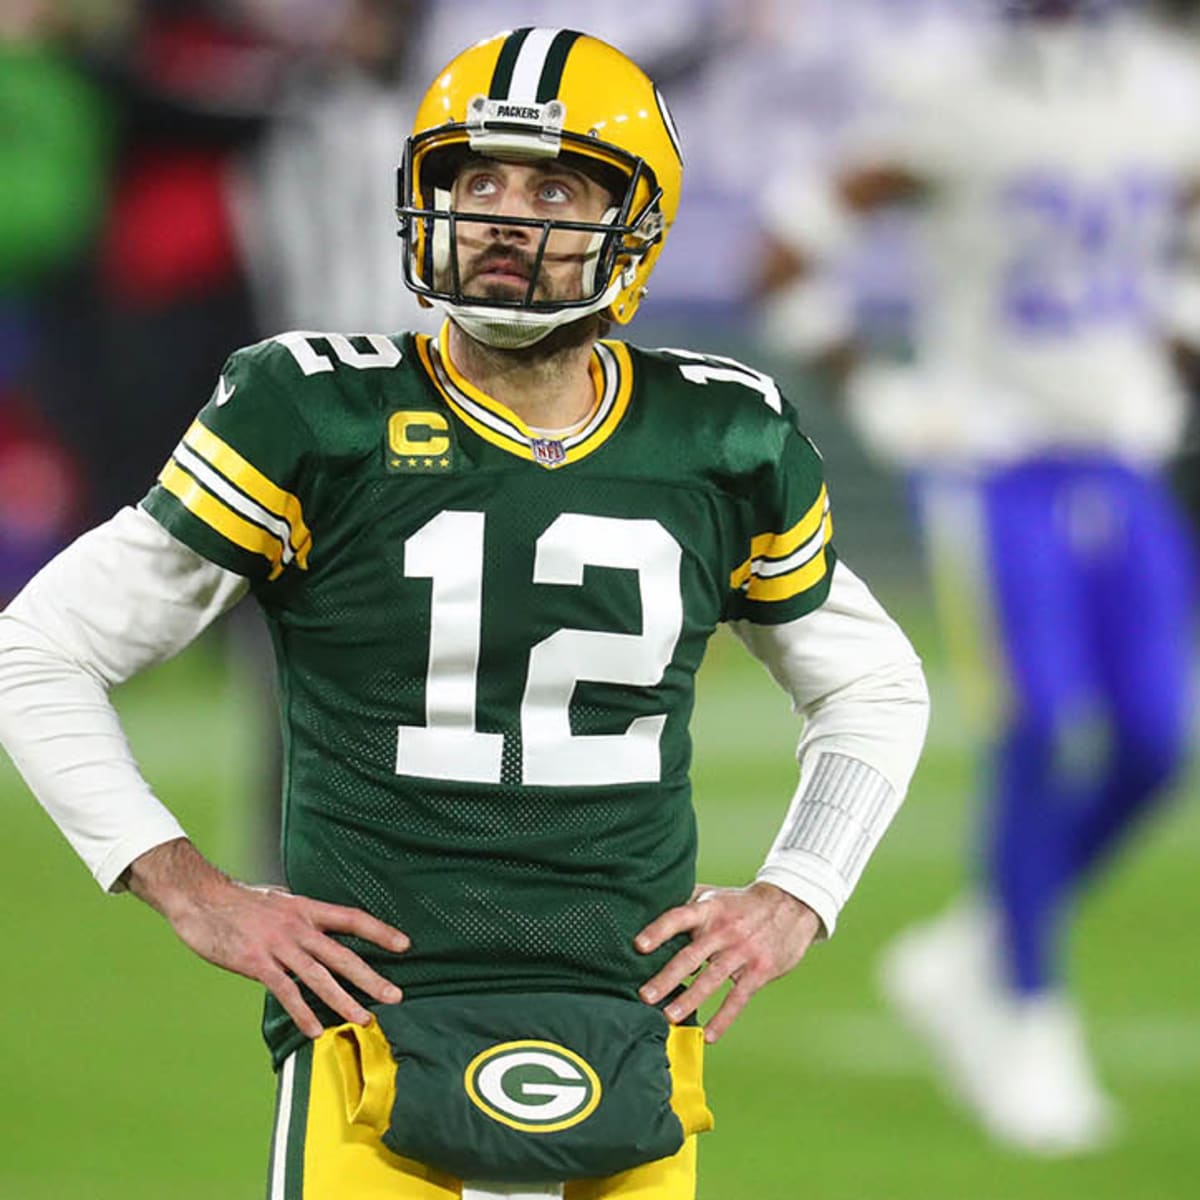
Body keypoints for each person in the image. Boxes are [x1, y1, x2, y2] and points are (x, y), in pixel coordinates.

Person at [0, 27, 929, 1199]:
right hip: (373, 1030)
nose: (500, 216)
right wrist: (187, 888)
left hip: (630, 1029)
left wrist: (799, 892)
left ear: (637, 221)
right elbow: (38, 649)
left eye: (553, 189)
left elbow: (872, 683)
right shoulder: (315, 412)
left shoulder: (719, 434)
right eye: (475, 180)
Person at [755, 0, 1198, 1157]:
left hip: (1119, 454)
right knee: (1037, 727)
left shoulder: (1162, 84)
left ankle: (979, 946)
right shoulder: (951, 89)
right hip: (996, 465)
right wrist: (880, 390)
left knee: (1160, 742)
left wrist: (1174, 345)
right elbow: (790, 245)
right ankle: (1026, 1010)